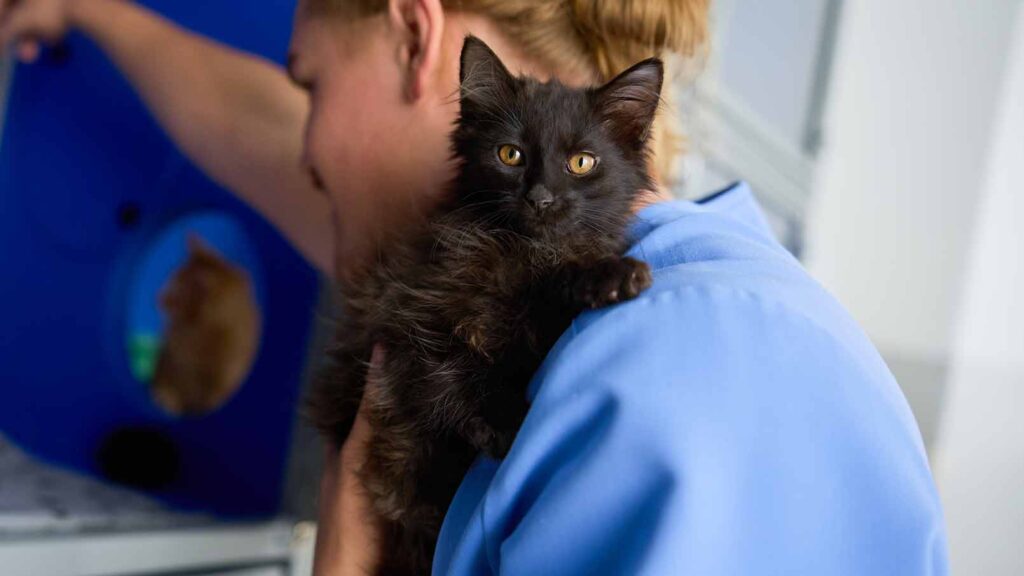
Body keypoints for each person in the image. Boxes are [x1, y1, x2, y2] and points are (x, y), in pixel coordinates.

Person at [0, 0, 949, 574]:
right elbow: (260, 142)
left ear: (420, 39)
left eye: (312, 86)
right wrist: (94, 14)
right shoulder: (513, 272)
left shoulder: (673, 360)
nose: (305, 142)